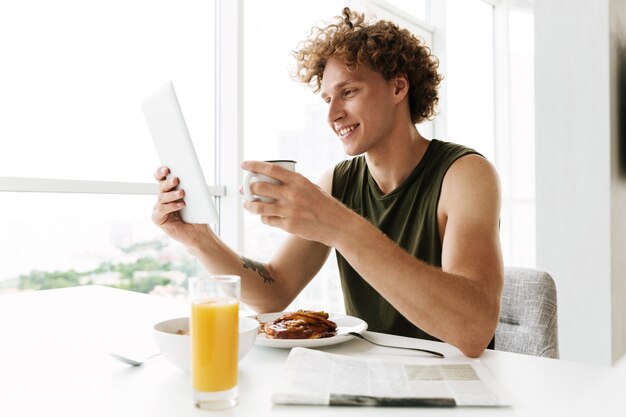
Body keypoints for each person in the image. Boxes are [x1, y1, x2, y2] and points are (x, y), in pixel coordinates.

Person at [152, 7, 503, 358]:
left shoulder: (465, 174)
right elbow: (273, 292)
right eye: (327, 99)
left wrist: (338, 225)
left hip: (454, 379)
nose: (332, 115)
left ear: (398, 87)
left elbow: (473, 330)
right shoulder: (338, 182)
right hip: (370, 375)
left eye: (348, 92)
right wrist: (199, 239)